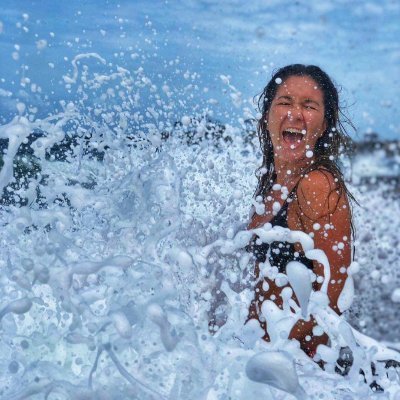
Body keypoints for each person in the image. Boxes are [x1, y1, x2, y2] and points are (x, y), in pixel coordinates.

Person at [246, 64, 356, 360]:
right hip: (264, 362)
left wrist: (273, 355)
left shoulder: (317, 184)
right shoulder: (272, 188)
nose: (295, 114)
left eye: (309, 106)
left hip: (304, 369)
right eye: (284, 102)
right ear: (267, 115)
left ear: (323, 125)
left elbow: (331, 303)